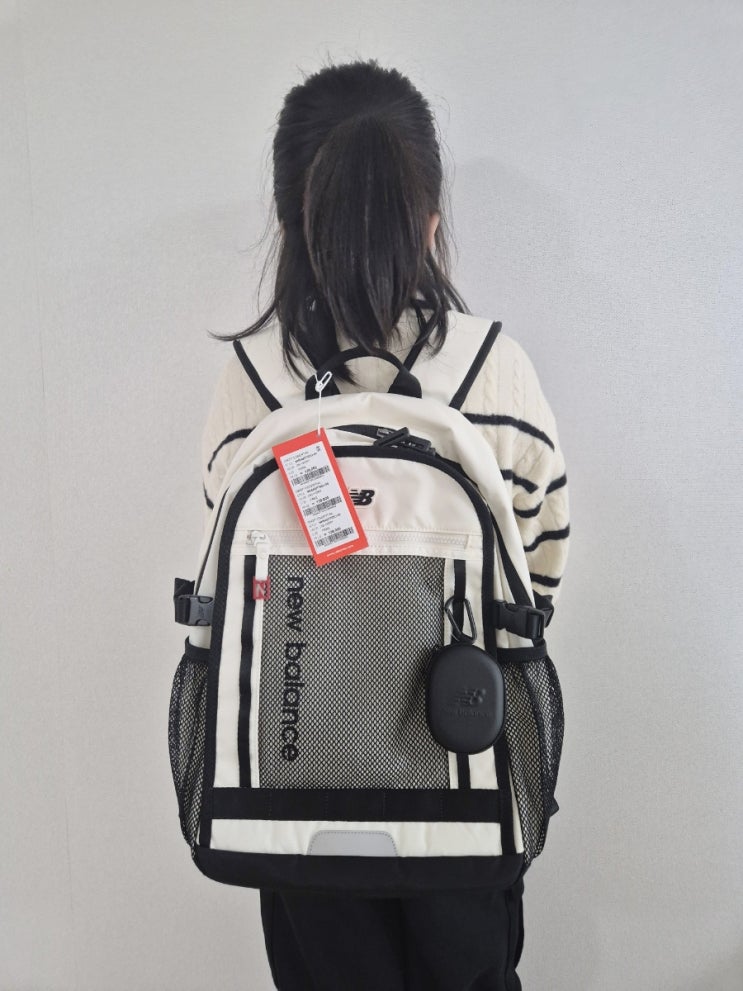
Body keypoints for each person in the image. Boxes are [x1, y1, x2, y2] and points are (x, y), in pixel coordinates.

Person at [199, 58, 569, 991]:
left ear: (290, 220)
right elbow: (537, 572)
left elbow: (235, 583)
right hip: (462, 770)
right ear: (431, 216)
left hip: (293, 791)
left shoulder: (251, 376)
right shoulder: (494, 366)